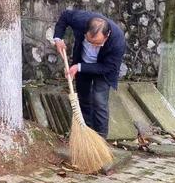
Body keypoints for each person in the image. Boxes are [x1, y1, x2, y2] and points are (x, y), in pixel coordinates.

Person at [53, 9, 126, 138]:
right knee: (84, 99)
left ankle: (100, 140)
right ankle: (86, 135)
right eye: (90, 42)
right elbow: (65, 16)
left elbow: (108, 67)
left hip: (103, 69)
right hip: (82, 62)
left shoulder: (117, 41)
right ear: (85, 31)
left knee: (99, 102)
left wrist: (78, 67)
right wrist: (58, 38)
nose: (94, 46)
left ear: (107, 35)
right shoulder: (81, 20)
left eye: (98, 44)